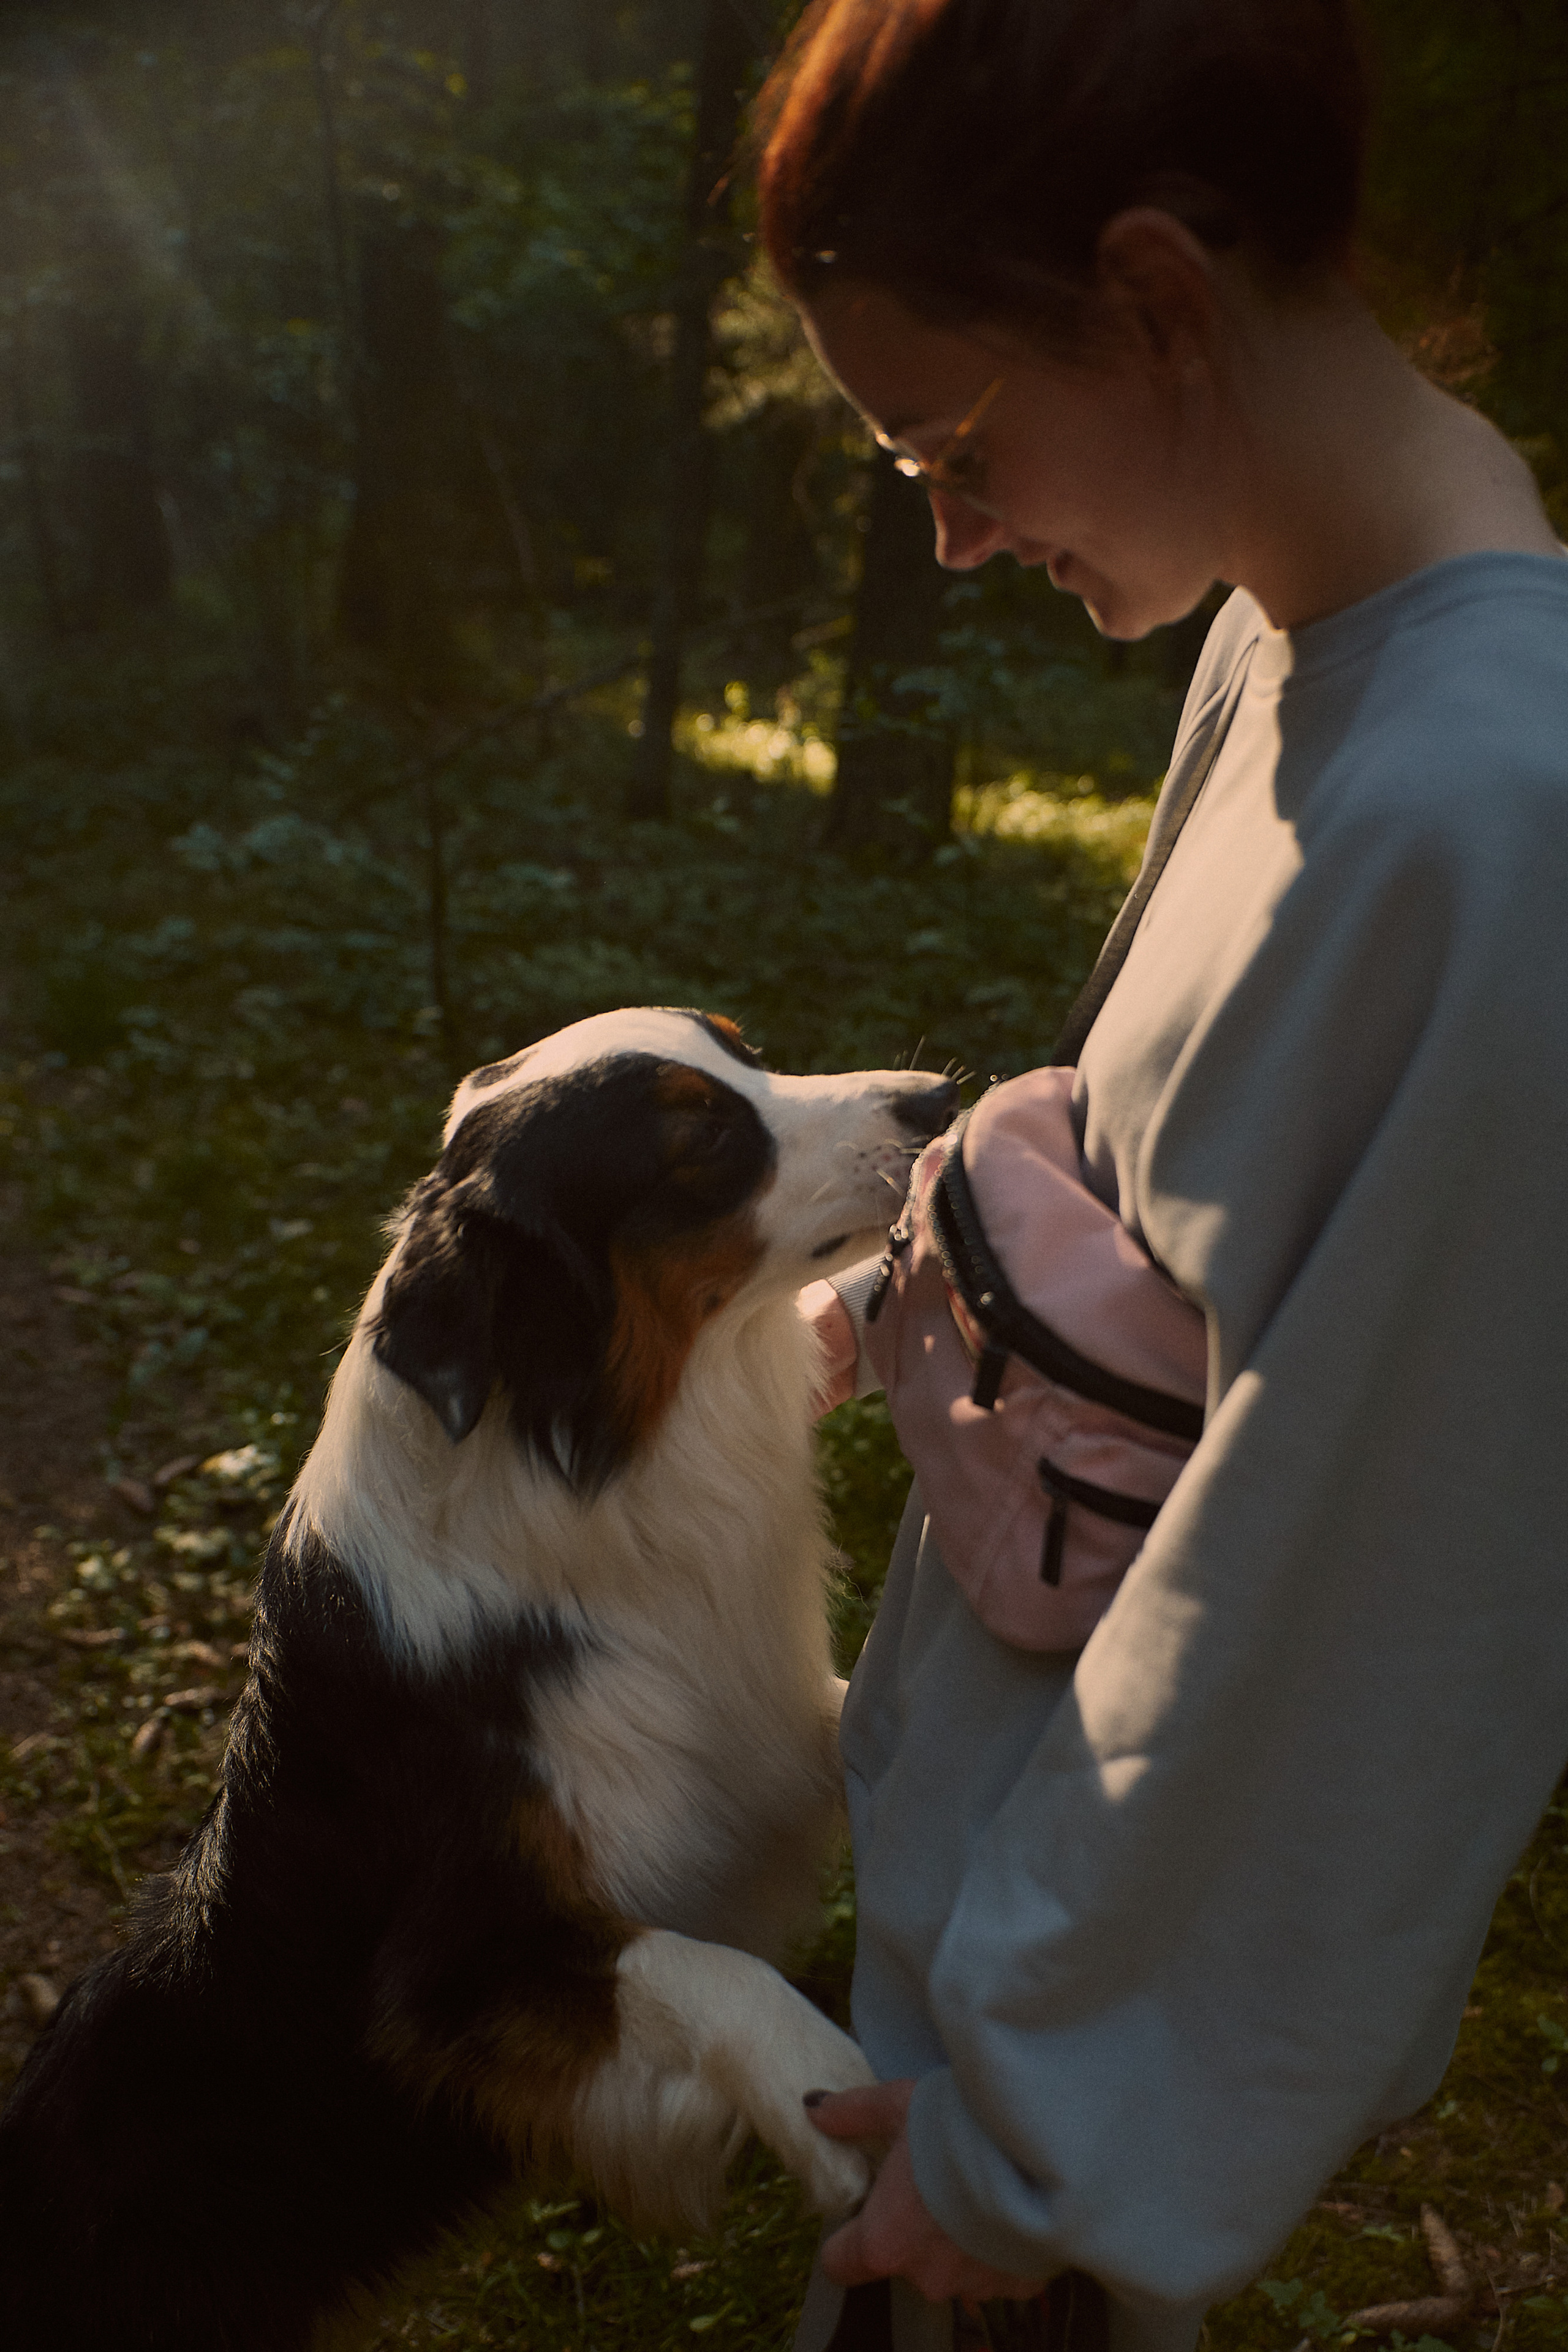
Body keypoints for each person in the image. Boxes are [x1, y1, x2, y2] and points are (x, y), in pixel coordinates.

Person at [753, 4, 1568, 2349]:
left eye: (955, 442)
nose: (949, 529)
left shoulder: (1496, 818)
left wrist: (1040, 2141)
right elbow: (1167, 1194)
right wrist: (909, 1296)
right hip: (992, 1952)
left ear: (1154, 298)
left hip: (1058, 2100)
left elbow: (1395, 1594)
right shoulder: (1287, 633)